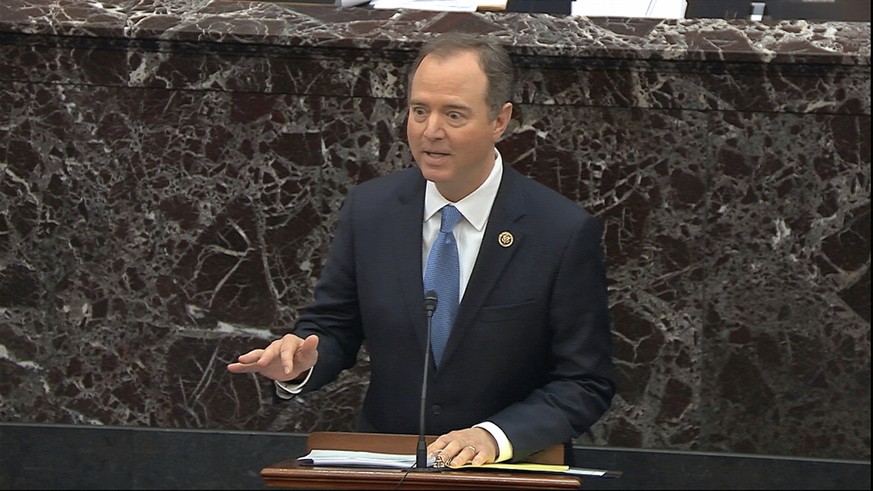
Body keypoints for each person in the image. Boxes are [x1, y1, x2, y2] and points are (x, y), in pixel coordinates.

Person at [227, 32, 615, 468]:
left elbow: (585, 381)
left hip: (507, 468)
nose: (432, 131)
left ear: (499, 120)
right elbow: (334, 326)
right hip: (388, 466)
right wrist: (302, 363)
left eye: (454, 114)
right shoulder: (371, 210)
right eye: (419, 111)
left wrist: (493, 437)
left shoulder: (560, 231)